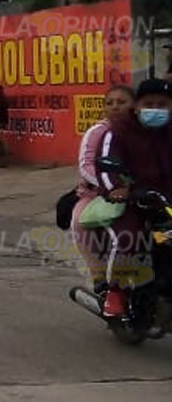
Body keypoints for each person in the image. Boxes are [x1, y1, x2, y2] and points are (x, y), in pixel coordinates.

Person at [96, 79, 172, 317]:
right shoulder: (118, 131)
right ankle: (115, 293)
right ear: (137, 106)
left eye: (162, 105)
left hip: (166, 201)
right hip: (130, 200)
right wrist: (116, 188)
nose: (156, 110)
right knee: (128, 239)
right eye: (149, 104)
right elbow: (107, 165)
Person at [72, 85, 135, 292]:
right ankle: (98, 276)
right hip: (96, 194)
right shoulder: (97, 132)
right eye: (110, 103)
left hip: (136, 192)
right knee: (79, 220)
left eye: (121, 102)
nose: (115, 107)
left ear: (134, 105)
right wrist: (110, 185)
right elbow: (86, 165)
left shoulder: (143, 133)